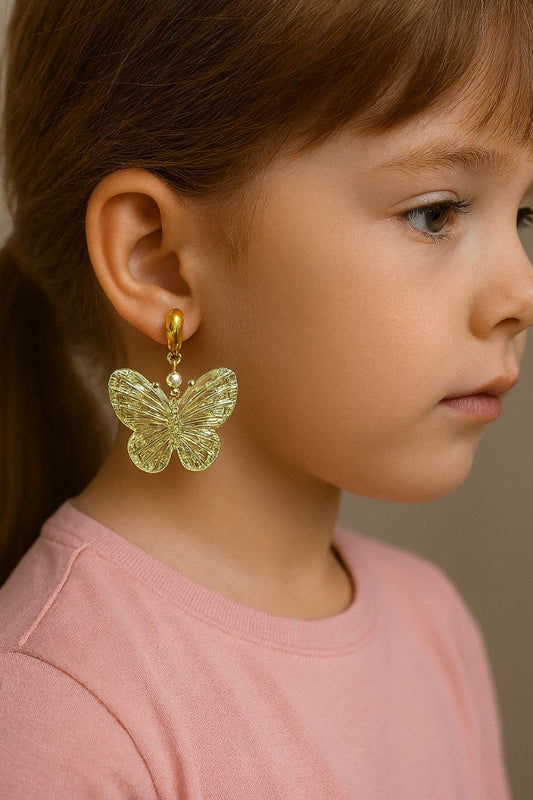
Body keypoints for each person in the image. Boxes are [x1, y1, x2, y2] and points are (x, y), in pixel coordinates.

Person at [0, 0, 532, 797]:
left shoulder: (434, 622)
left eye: (523, 215)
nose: (518, 292)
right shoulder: (58, 708)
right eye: (436, 213)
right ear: (158, 262)